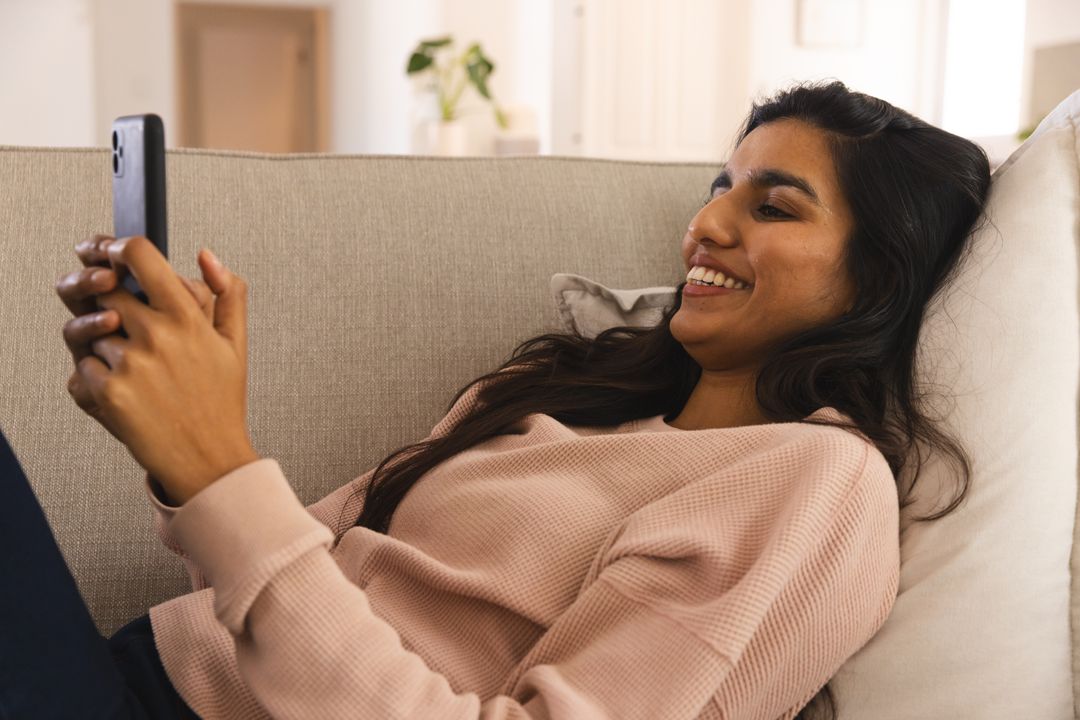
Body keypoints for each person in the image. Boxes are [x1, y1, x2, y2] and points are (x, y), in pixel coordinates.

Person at [16, 79, 989, 719]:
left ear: (878, 277)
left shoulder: (815, 482)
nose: (704, 227)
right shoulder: (558, 398)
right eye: (718, 188)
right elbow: (258, 600)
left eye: (771, 207)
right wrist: (180, 436)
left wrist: (219, 463)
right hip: (135, 674)